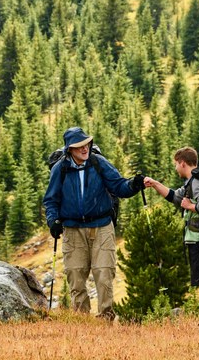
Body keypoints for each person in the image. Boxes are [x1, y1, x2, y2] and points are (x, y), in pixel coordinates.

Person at [43, 126, 144, 320]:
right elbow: (51, 200)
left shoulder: (99, 163)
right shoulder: (60, 169)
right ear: (69, 149)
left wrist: (134, 185)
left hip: (102, 227)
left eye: (87, 144)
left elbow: (119, 186)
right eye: (79, 146)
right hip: (72, 230)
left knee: (104, 274)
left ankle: (105, 319)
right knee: (76, 277)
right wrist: (53, 220)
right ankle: (82, 322)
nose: (84, 149)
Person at [144, 146, 199, 334]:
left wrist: (190, 205)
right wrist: (154, 184)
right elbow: (174, 197)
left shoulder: (198, 183)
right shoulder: (191, 181)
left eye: (176, 165)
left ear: (182, 163)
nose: (175, 169)